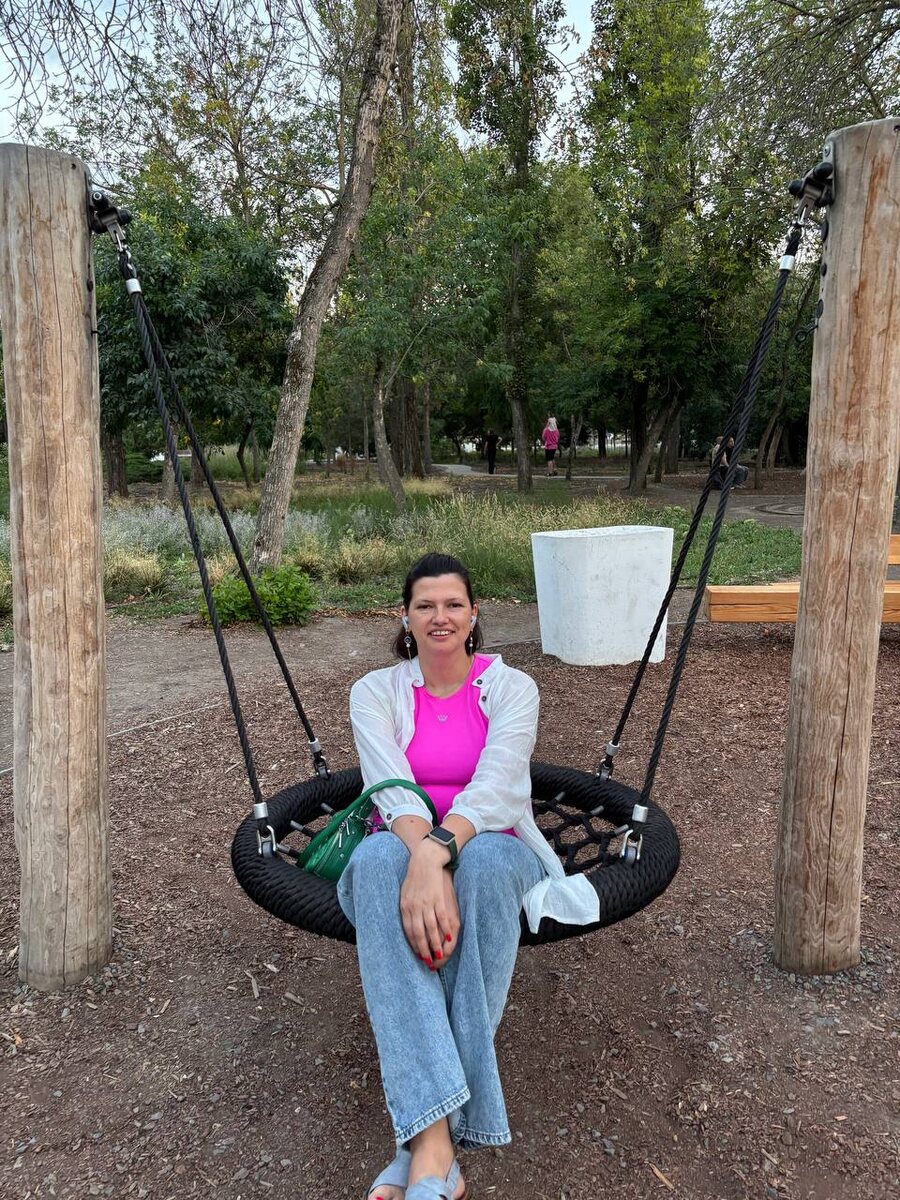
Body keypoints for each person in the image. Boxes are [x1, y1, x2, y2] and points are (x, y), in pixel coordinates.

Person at [339, 552, 599, 1200]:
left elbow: (499, 786)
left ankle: (421, 1145)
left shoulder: (512, 689)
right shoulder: (374, 692)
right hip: (399, 839)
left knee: (481, 871)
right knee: (375, 865)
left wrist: (436, 854)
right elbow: (388, 786)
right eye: (425, 605)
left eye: (453, 604)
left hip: (492, 843)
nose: (440, 616)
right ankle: (437, 1151)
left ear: (474, 614)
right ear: (404, 616)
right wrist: (419, 856)